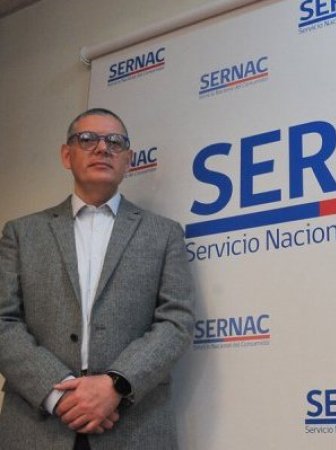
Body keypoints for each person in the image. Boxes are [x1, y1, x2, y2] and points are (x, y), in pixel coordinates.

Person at [0, 108, 195, 450]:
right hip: (36, 425)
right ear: (66, 155)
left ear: (128, 160)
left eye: (115, 142)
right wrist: (59, 394)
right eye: (87, 139)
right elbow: (4, 321)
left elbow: (176, 320)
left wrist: (117, 383)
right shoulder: (21, 233)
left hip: (135, 426)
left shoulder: (164, 233)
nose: (103, 148)